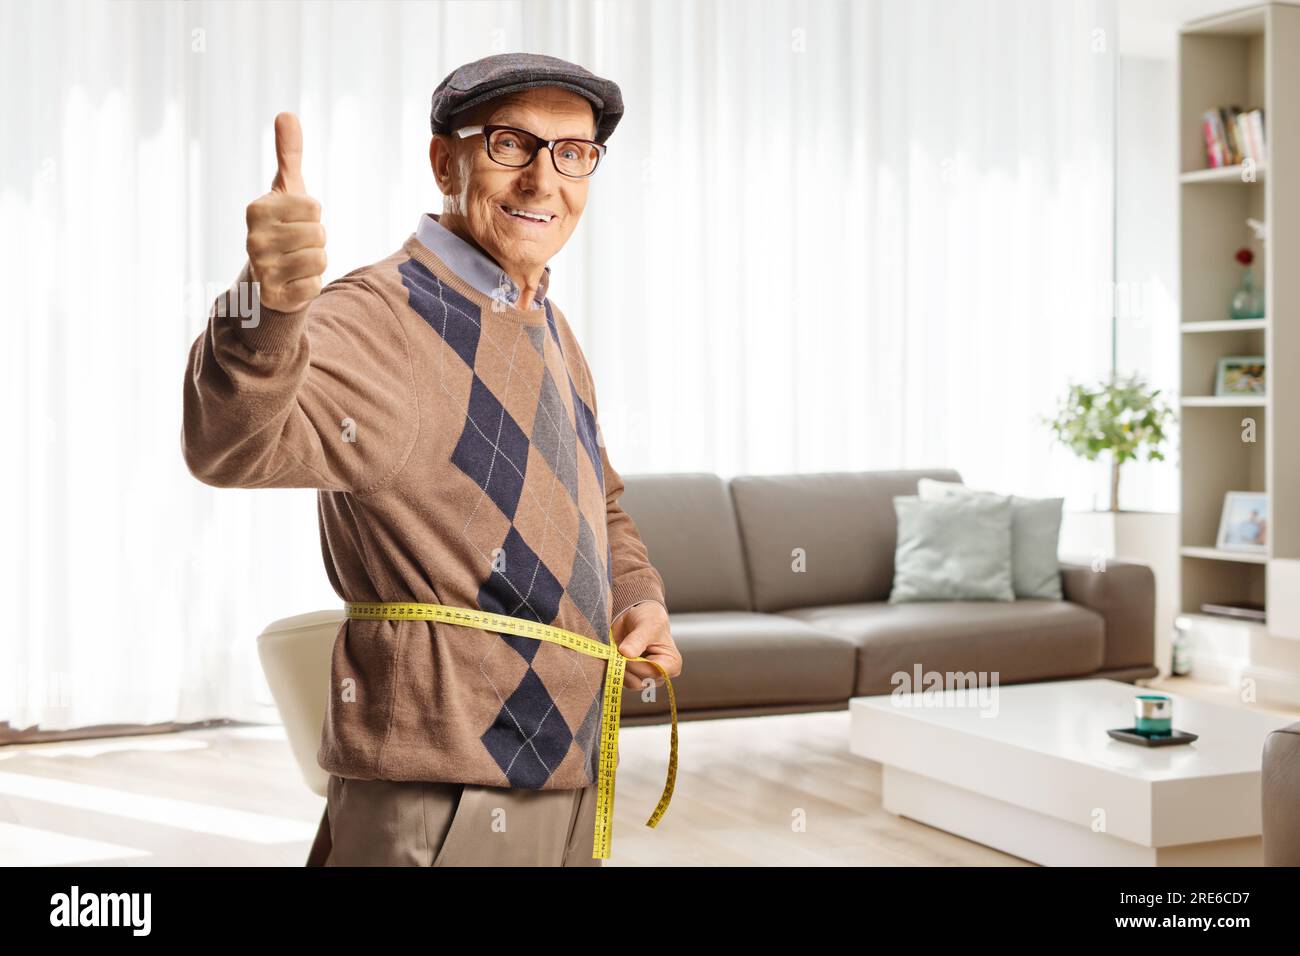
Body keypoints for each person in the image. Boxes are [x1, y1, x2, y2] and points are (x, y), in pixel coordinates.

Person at [181, 53, 682, 866]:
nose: (542, 180)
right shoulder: (382, 317)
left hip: (565, 770)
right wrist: (264, 306)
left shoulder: (548, 326)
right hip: (445, 793)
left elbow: (604, 502)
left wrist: (638, 597)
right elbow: (228, 442)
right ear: (444, 160)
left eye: (572, 153)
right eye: (511, 145)